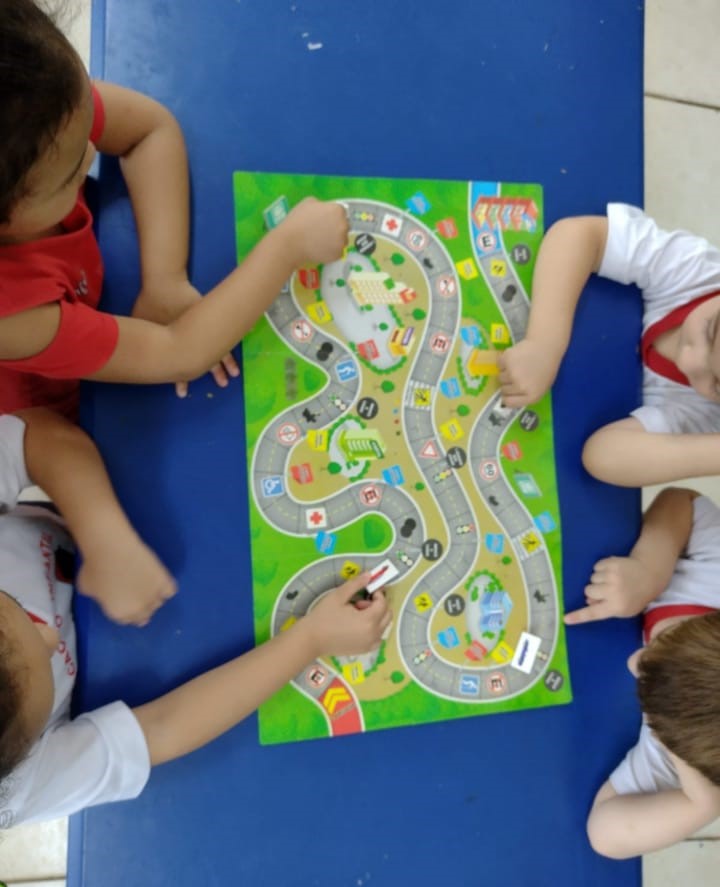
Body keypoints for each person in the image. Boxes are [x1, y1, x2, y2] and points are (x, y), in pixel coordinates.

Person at [0, 410, 392, 826]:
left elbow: (32, 436)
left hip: (90, 523)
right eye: (45, 658)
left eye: (11, 604)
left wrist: (102, 535)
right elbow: (161, 729)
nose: (49, 634)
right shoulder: (17, 793)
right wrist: (311, 639)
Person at [0, 0, 348, 418]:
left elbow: (149, 129)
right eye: (72, 172)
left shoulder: (41, 100)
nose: (92, 150)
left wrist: (164, 280)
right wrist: (288, 246)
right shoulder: (12, 317)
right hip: (50, 403)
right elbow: (179, 352)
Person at [497, 204, 720, 486]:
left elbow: (603, 457)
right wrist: (543, 344)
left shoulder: (708, 419)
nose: (689, 361)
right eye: (710, 331)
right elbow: (579, 235)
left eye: (717, 384)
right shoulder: (697, 271)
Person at [564, 486, 720, 858]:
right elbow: (683, 501)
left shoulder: (681, 758)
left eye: (645, 691)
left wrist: (702, 805)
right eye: (665, 644)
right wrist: (650, 569)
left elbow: (606, 835)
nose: (633, 661)